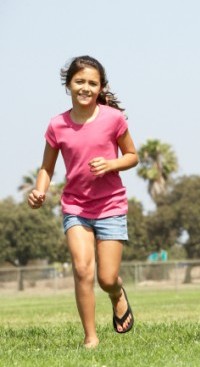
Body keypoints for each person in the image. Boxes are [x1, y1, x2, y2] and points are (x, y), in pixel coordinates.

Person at [27, 55, 139, 348]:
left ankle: (116, 294)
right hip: (75, 206)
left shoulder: (113, 119)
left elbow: (132, 156)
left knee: (106, 277)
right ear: (68, 84)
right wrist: (40, 190)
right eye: (79, 81)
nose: (85, 87)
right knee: (82, 269)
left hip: (110, 206)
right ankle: (91, 336)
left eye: (92, 82)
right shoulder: (57, 125)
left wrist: (111, 165)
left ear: (101, 86)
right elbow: (47, 168)